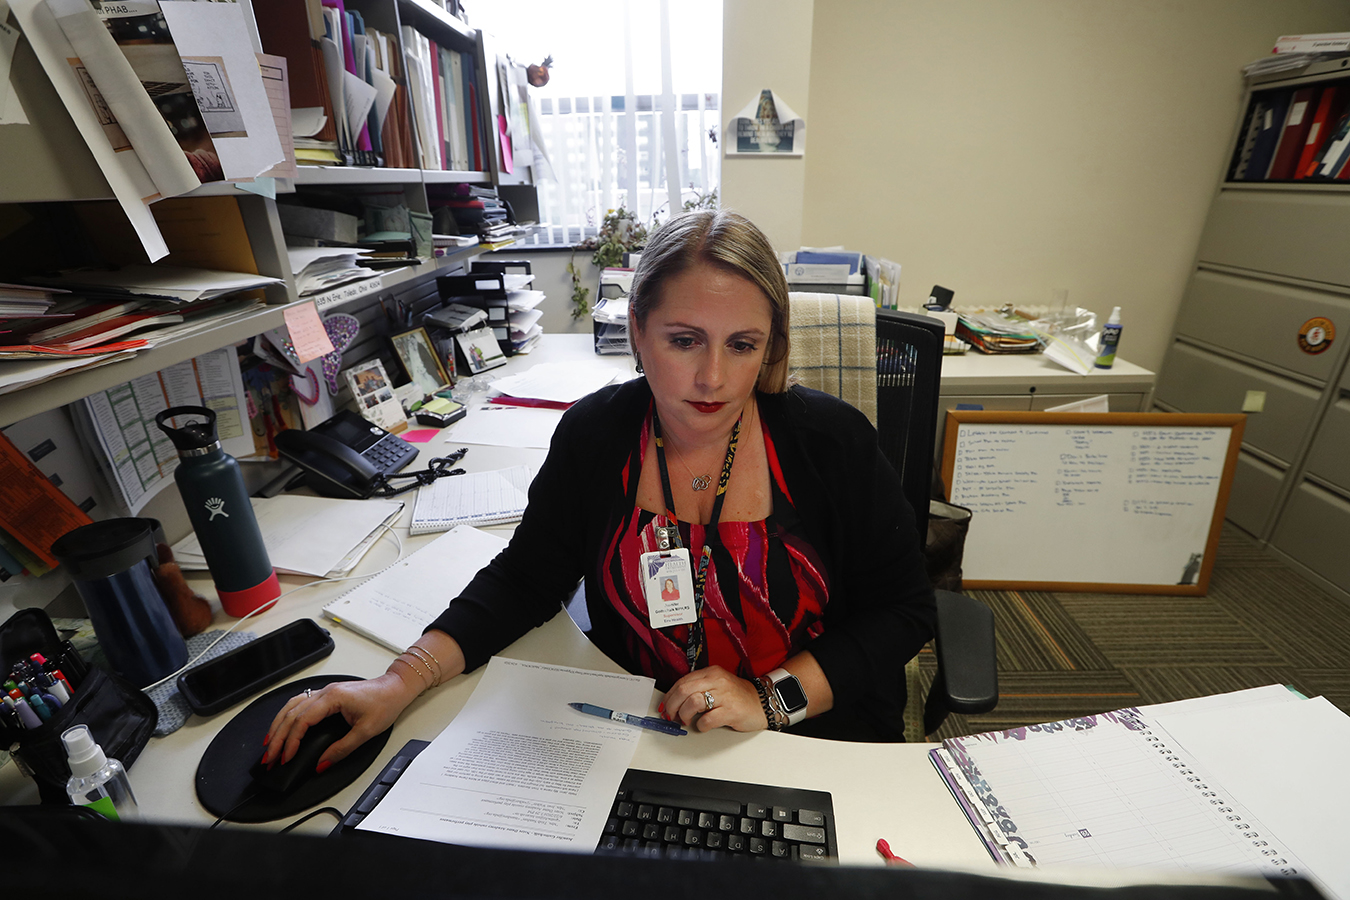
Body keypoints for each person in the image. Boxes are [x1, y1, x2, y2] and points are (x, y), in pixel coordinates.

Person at [262, 210, 935, 775]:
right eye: (684, 341)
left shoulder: (830, 442)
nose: (713, 378)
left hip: (811, 736)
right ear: (637, 329)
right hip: (637, 729)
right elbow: (526, 579)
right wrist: (399, 680)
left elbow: (904, 610)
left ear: (771, 345)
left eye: (742, 345)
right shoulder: (597, 434)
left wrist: (769, 699)